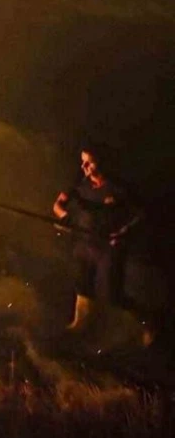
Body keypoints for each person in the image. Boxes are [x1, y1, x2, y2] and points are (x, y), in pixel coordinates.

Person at [52, 144, 153, 345]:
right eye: (83, 161)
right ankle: (80, 324)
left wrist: (124, 232)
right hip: (84, 243)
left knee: (113, 294)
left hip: (109, 246)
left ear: (102, 162)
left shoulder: (119, 188)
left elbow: (141, 214)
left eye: (89, 162)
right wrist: (65, 219)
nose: (84, 166)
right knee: (82, 285)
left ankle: (148, 322)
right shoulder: (78, 184)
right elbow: (58, 205)